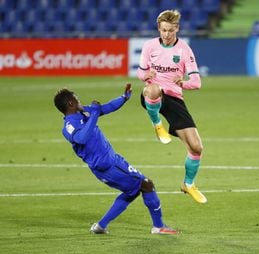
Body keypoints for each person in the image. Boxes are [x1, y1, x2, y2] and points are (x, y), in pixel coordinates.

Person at [54, 83, 178, 235]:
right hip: (107, 164)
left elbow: (106, 108)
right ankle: (159, 227)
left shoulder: (83, 112)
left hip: (109, 162)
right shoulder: (68, 126)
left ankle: (101, 226)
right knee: (146, 184)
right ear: (70, 103)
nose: (80, 102)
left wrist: (124, 98)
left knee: (131, 191)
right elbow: (82, 138)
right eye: (77, 99)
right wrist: (93, 115)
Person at [137, 9, 207, 204]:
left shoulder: (184, 50)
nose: (167, 34)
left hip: (175, 98)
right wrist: (146, 76)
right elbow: (140, 73)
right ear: (159, 28)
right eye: (164, 30)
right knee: (153, 90)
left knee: (196, 147)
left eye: (171, 30)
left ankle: (189, 184)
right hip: (153, 94)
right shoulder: (149, 46)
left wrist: (183, 82)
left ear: (177, 28)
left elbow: (197, 82)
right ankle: (157, 125)